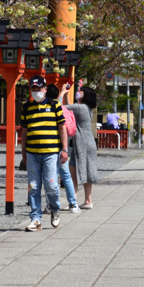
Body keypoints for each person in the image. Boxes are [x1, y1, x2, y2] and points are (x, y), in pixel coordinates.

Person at [19, 76, 68, 231]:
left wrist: (65, 149)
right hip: (32, 153)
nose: (36, 91)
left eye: (39, 88)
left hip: (51, 153)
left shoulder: (55, 105)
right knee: (33, 187)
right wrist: (23, 152)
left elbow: (62, 127)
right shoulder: (27, 107)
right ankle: (35, 218)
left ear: (45, 89)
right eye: (33, 88)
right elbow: (24, 131)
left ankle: (55, 208)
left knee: (51, 185)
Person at [63, 83, 99, 209]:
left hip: (82, 144)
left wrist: (62, 93)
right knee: (87, 171)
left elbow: (63, 108)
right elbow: (71, 111)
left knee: (72, 172)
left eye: (81, 91)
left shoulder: (81, 108)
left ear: (86, 95)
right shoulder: (86, 108)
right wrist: (67, 95)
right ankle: (88, 201)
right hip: (88, 143)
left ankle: (73, 201)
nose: (78, 92)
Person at [47, 84, 80, 214]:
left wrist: (61, 93)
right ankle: (73, 203)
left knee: (51, 176)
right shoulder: (63, 108)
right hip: (63, 146)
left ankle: (51, 204)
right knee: (66, 176)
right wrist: (62, 93)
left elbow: (58, 102)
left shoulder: (50, 107)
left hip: (51, 146)